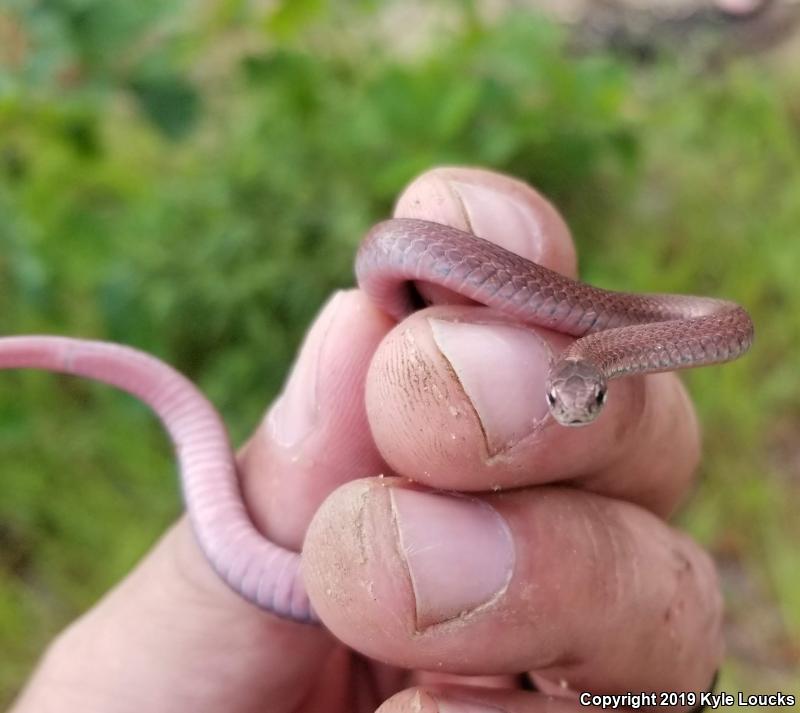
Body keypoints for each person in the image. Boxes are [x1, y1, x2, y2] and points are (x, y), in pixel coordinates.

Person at [10, 167, 722, 713]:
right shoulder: (581, 352)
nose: (571, 412)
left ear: (601, 382)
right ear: (556, 379)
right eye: (560, 399)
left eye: (586, 402)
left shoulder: (623, 346)